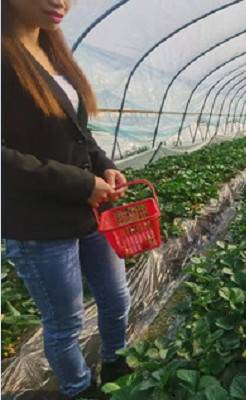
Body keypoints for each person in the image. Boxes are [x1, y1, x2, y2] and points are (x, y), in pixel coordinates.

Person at [2, 0, 131, 398]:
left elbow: (78, 132)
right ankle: (78, 388)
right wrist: (81, 183)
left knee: (116, 297)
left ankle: (115, 362)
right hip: (37, 221)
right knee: (65, 323)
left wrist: (104, 164)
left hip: (88, 210)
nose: (60, 2)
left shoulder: (52, 50)